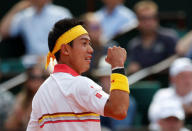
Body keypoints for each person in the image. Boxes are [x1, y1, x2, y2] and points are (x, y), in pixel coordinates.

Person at [27, 18, 130, 131]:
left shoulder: (41, 93)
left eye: (89, 44)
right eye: (84, 43)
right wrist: (118, 66)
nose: (91, 50)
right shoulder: (80, 84)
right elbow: (119, 109)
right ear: (66, 49)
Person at [0, 0, 72, 55]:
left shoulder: (61, 13)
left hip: (56, 60)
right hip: (31, 63)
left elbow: (72, 40)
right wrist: (17, 9)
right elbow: (3, 32)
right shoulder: (24, 15)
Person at [127, 0, 177, 74]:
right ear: (137, 20)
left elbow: (175, 62)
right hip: (144, 83)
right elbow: (133, 67)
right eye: (143, 18)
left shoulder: (169, 37)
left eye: (151, 17)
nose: (148, 22)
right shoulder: (134, 44)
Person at [148, 57, 192, 130]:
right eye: (183, 76)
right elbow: (153, 118)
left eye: (190, 76)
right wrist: (184, 110)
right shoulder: (162, 94)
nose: (188, 81)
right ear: (173, 78)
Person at [4, 64, 48, 130]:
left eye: (41, 77)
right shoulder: (22, 98)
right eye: (33, 77)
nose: (36, 81)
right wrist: (17, 117)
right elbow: (9, 126)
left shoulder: (48, 98)